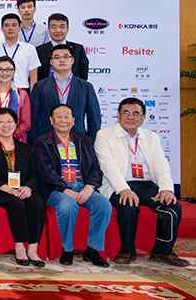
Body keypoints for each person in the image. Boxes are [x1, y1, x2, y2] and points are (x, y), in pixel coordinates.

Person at [95, 98, 188, 267]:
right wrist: (123, 189)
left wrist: (166, 188)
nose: (131, 117)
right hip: (117, 184)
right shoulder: (104, 135)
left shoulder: (151, 137)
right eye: (126, 113)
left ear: (143, 118)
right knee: (128, 205)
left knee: (172, 206)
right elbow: (108, 165)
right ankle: (127, 250)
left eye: (136, 113)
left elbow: (160, 164)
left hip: (146, 185)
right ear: (118, 115)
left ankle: (162, 251)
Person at [34, 103, 111, 267]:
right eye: (58, 117)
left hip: (82, 186)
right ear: (51, 120)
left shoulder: (85, 141)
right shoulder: (42, 142)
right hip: (55, 189)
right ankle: (67, 250)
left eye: (67, 116)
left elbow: (96, 168)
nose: (63, 120)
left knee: (104, 204)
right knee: (68, 205)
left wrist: (89, 187)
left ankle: (92, 250)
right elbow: (46, 172)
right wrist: (66, 190)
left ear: (74, 120)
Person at [0, 108, 47, 267]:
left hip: (22, 188)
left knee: (37, 202)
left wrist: (28, 188)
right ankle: (19, 247)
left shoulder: (25, 148)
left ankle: (33, 249)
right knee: (17, 204)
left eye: (9, 121)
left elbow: (33, 174)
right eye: (1, 122)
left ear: (16, 124)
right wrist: (8, 189)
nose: (5, 125)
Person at [28, 44, 101, 142]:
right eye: (57, 57)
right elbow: (33, 118)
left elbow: (94, 118)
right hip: (46, 141)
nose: (62, 60)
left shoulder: (86, 87)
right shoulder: (40, 86)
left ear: (73, 60)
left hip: (78, 140)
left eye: (66, 57)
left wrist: (90, 142)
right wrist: (34, 143)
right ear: (51, 62)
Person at [0, 13, 40, 91]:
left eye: (14, 25)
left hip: (22, 90)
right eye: (7, 25)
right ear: (2, 28)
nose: (10, 28)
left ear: (20, 28)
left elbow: (33, 77)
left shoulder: (30, 48)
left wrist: (32, 95)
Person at [36, 12, 89, 81]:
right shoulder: (39, 50)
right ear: (48, 30)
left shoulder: (78, 49)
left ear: (67, 29)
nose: (58, 30)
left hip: (73, 87)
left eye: (62, 27)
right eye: (54, 27)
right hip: (46, 87)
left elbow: (83, 75)